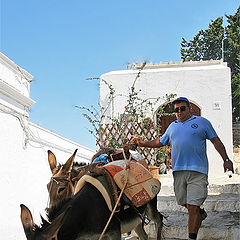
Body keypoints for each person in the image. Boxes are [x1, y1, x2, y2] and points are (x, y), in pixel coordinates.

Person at [131, 97, 234, 240]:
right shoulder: (172, 126)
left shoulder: (202, 122)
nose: (179, 112)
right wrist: (142, 143)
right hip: (178, 171)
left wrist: (226, 159)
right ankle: (200, 213)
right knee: (183, 202)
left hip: (198, 171)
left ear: (190, 108)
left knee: (193, 206)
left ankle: (191, 237)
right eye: (176, 110)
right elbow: (160, 141)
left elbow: (215, 141)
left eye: (182, 108)